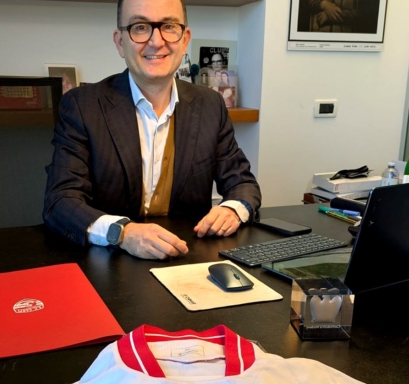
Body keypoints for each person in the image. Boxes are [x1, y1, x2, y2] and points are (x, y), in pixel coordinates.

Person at [43, 0, 261, 260]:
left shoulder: (210, 105)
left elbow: (243, 184)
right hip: (109, 261)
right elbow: (61, 202)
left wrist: (233, 210)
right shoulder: (82, 106)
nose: (156, 42)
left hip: (187, 257)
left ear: (184, 39)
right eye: (140, 27)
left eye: (169, 26)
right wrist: (122, 233)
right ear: (120, 42)